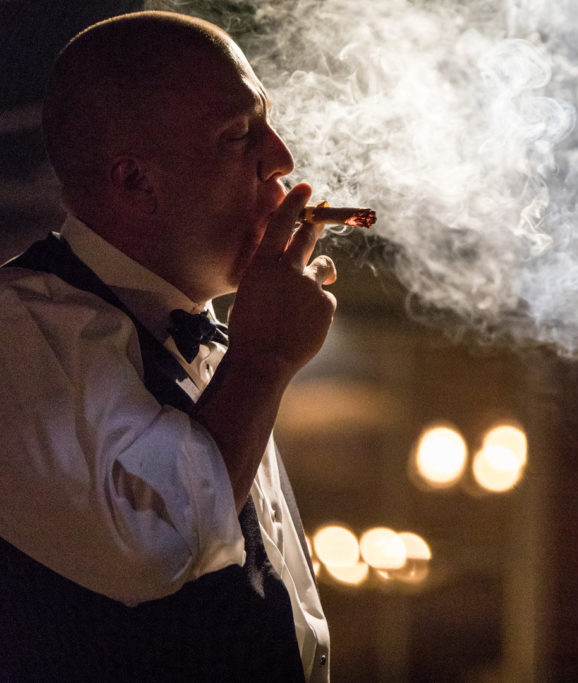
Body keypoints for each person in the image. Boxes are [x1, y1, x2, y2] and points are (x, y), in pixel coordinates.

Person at [0, 11, 338, 681]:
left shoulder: (210, 340)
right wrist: (264, 360)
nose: (281, 157)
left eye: (265, 120)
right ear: (134, 180)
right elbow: (158, 547)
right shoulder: (21, 324)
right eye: (240, 133)